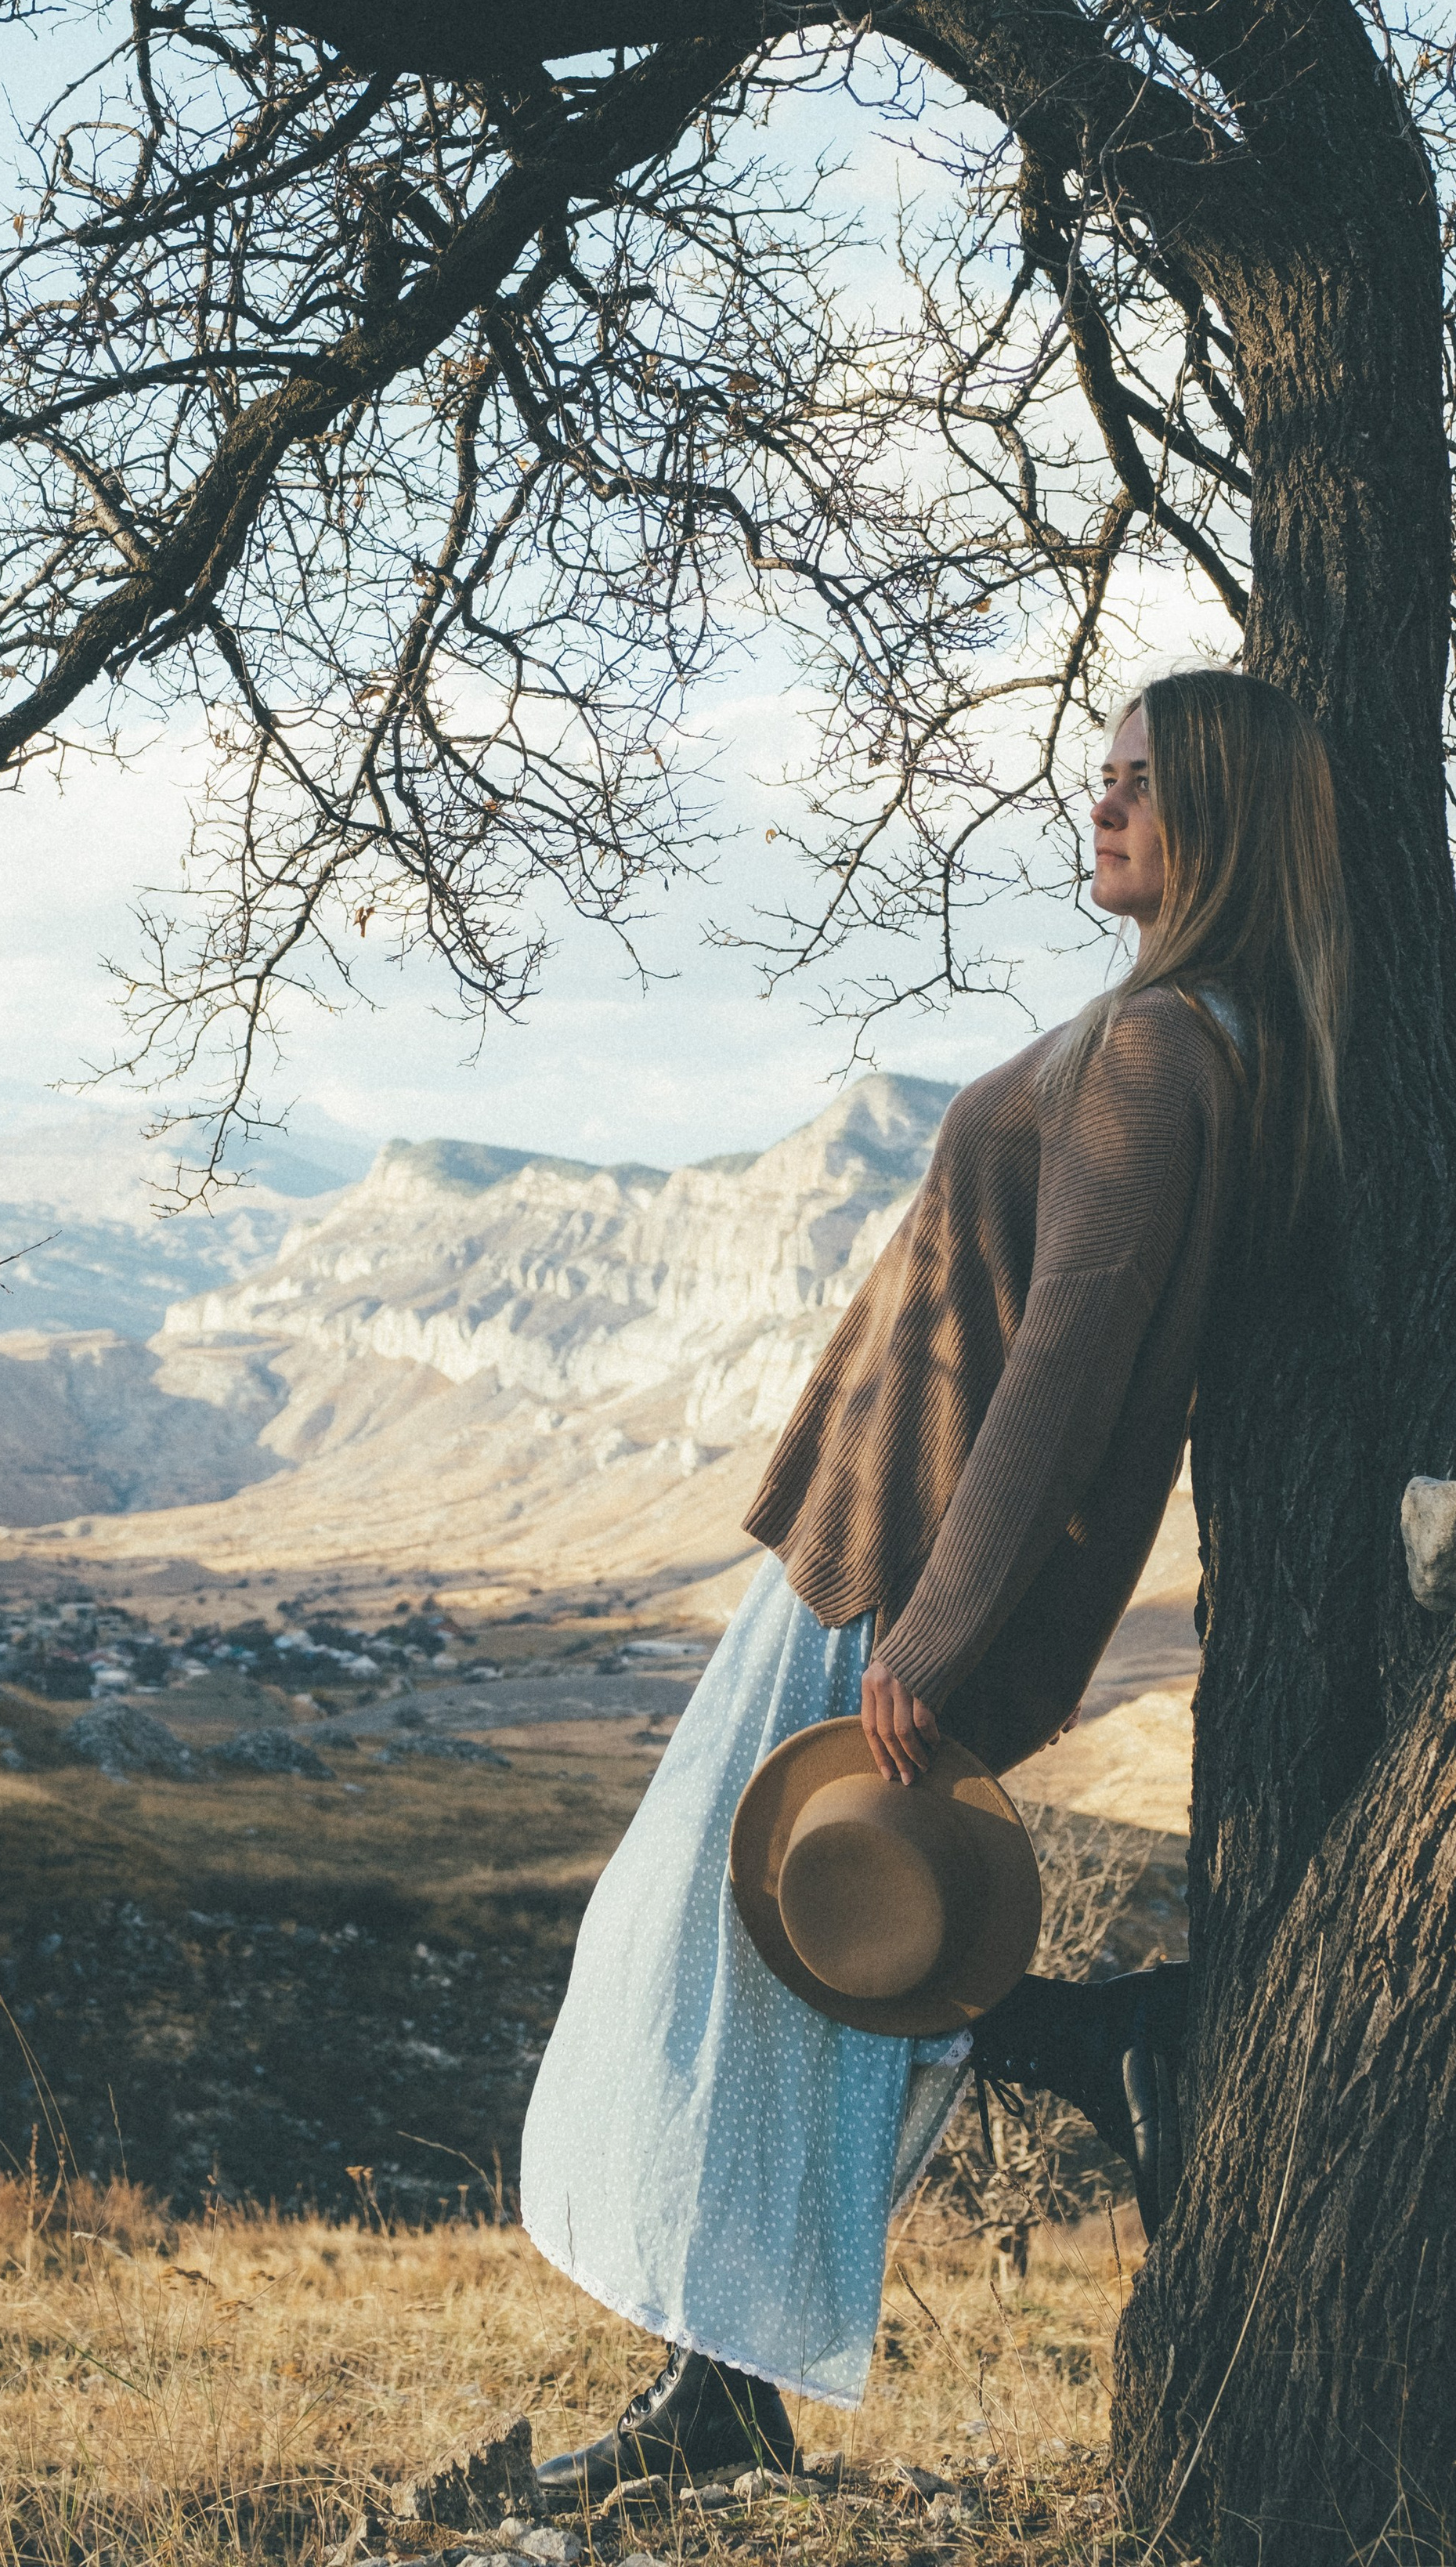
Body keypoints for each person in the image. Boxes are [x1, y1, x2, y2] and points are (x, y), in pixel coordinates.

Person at [518, 667, 1350, 2489]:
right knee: (788, 1960)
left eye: (1140, 786)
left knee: (747, 1943)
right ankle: (744, 2366)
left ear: (1219, 819)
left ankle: (726, 2391)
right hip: (880, 1553)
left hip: (898, 1574)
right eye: (1101, 774)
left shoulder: (1159, 1050)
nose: (1100, 805)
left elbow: (1064, 1363)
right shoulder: (1184, 1030)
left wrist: (938, 1633)